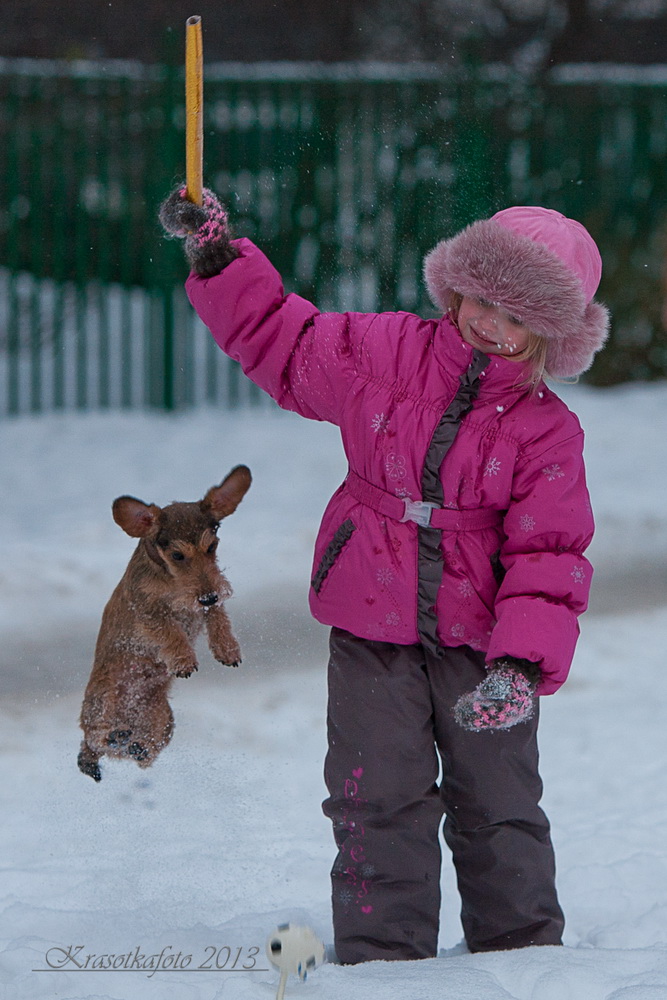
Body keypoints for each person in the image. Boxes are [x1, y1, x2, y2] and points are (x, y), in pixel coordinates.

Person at [159, 189, 609, 963]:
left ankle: (526, 956)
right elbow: (281, 338)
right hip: (370, 622)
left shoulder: (546, 432)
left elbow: (550, 555)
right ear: (458, 288)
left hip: (483, 646)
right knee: (374, 794)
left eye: (519, 320)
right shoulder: (381, 353)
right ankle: (382, 958)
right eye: (483, 302)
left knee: (496, 801)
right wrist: (216, 258)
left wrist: (518, 665)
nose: (492, 327)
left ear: (548, 337)